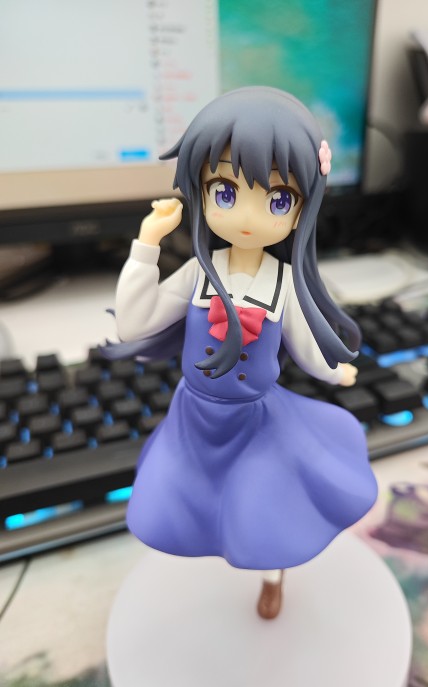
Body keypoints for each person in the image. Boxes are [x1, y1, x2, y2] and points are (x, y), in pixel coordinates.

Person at [108, 87, 377, 619]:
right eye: (226, 192)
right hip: (196, 419)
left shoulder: (284, 284)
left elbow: (306, 347)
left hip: (255, 422)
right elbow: (134, 323)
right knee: (179, 501)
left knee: (266, 512)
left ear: (300, 211)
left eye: (278, 200)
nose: (248, 217)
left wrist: (335, 373)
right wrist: (146, 247)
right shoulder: (198, 273)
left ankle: (272, 576)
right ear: (202, 192)